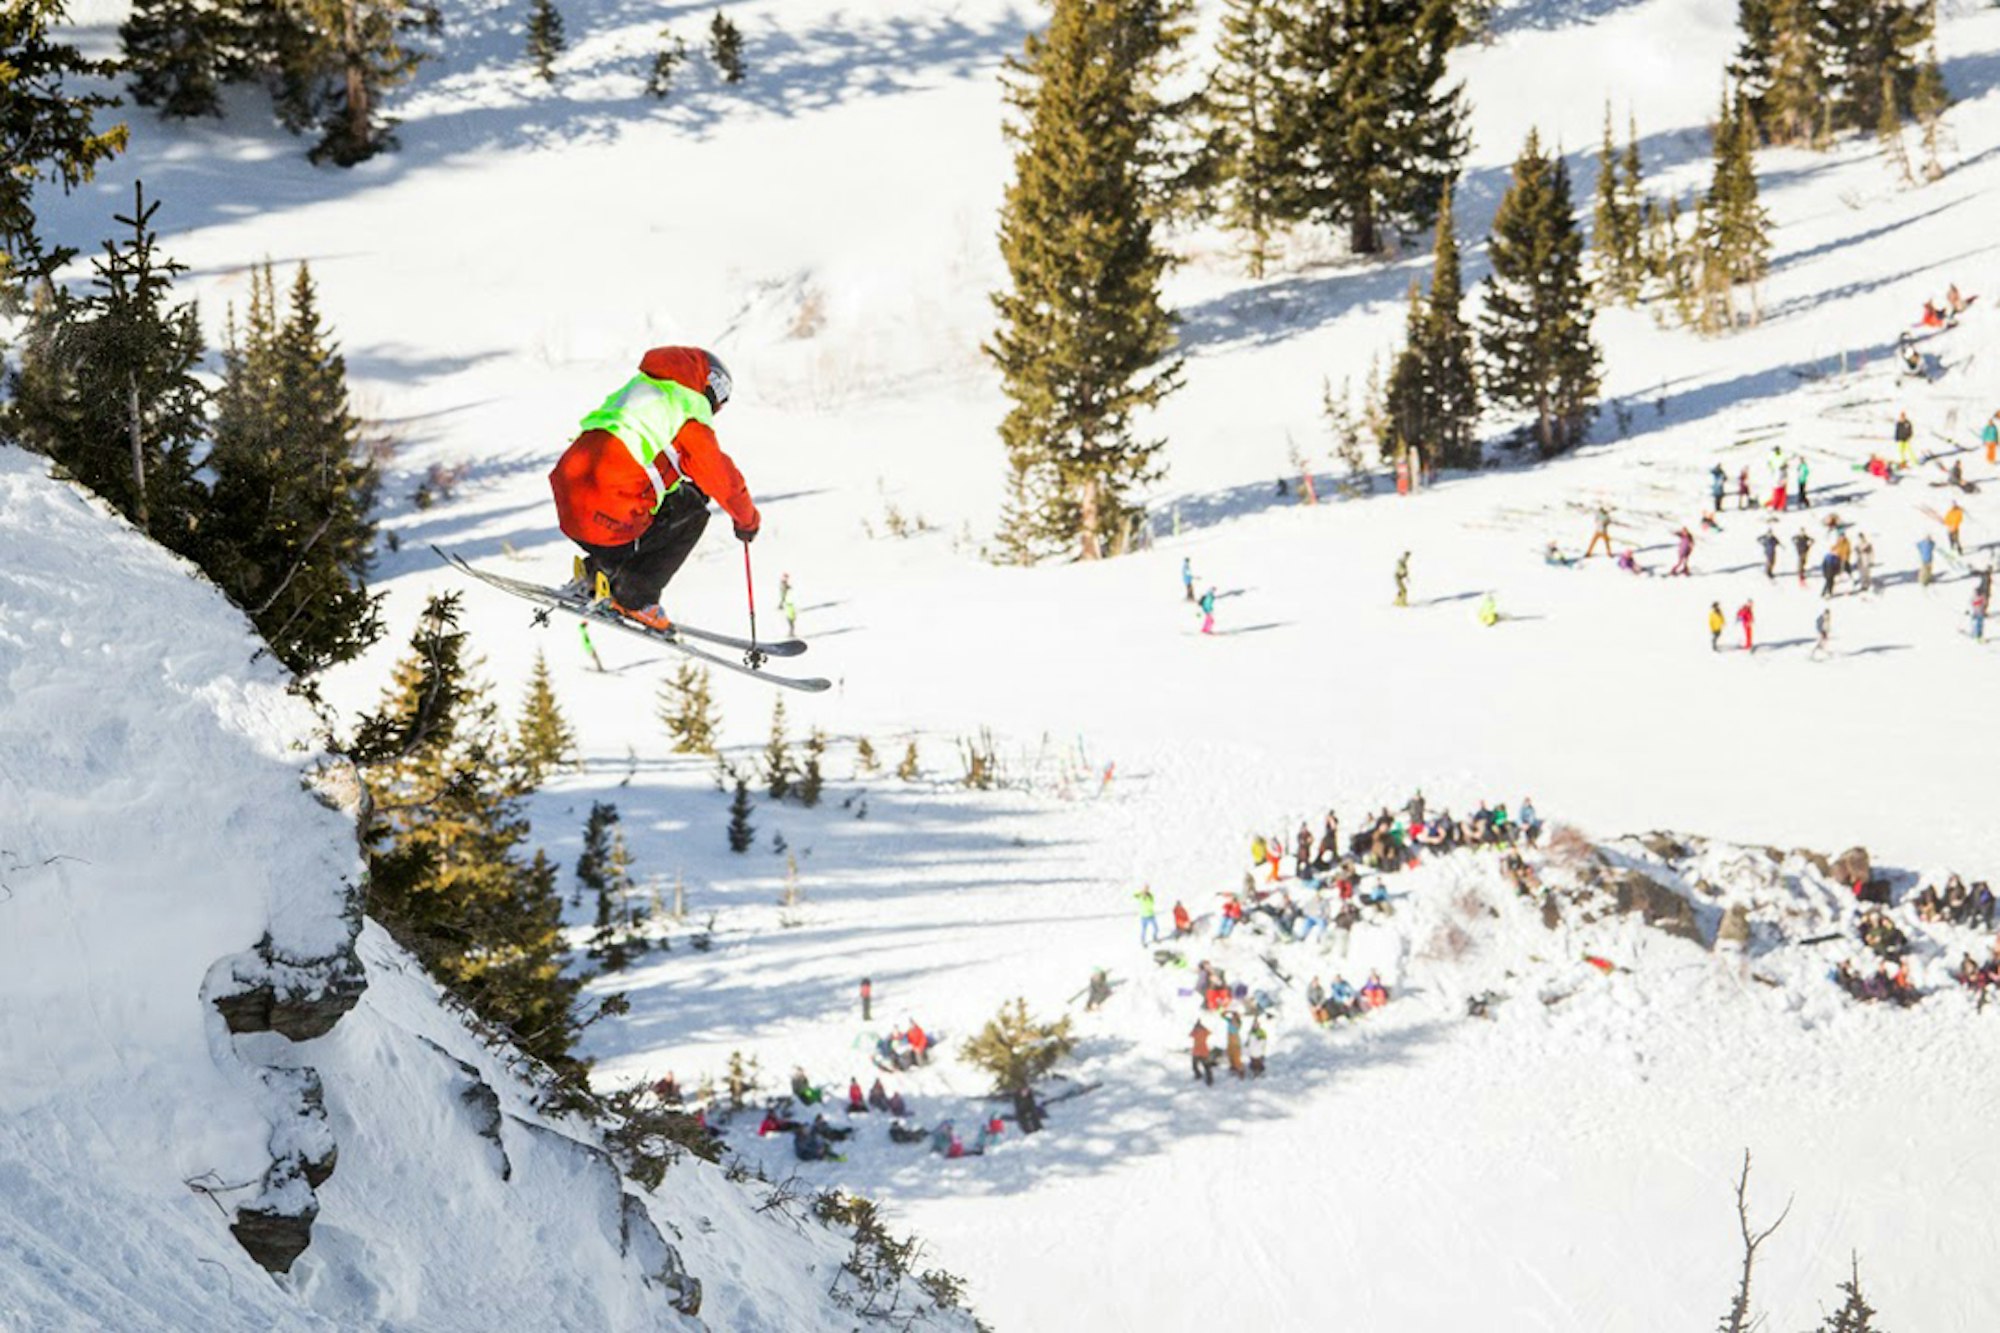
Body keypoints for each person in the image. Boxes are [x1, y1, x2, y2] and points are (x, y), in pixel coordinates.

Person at [547, 346, 759, 630]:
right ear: (709, 383)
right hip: (607, 515)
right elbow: (721, 477)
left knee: (664, 496)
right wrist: (747, 521)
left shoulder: (642, 391)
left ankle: (598, 572)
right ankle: (634, 596)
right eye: (720, 396)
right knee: (693, 512)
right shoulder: (686, 410)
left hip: (571, 505)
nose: (717, 407)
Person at [1189, 1020, 1215, 1086]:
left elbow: (1190, 1034)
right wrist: (1203, 1027)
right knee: (1204, 1067)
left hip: (1199, 1052)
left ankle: (1202, 1076)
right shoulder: (1203, 1032)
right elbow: (1209, 1032)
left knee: (1198, 1066)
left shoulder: (1196, 1032)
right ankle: (1208, 1079)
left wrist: (1195, 1028)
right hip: (1201, 1052)